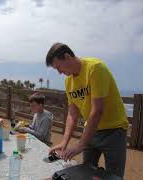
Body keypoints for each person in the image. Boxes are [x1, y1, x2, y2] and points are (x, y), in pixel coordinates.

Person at [46, 43, 129, 178]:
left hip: (114, 131)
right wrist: (64, 143)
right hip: (90, 131)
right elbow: (72, 114)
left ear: (67, 56)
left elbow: (97, 111)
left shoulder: (95, 68)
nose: (59, 72)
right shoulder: (68, 82)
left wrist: (80, 144)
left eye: (58, 67)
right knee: (86, 172)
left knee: (114, 176)